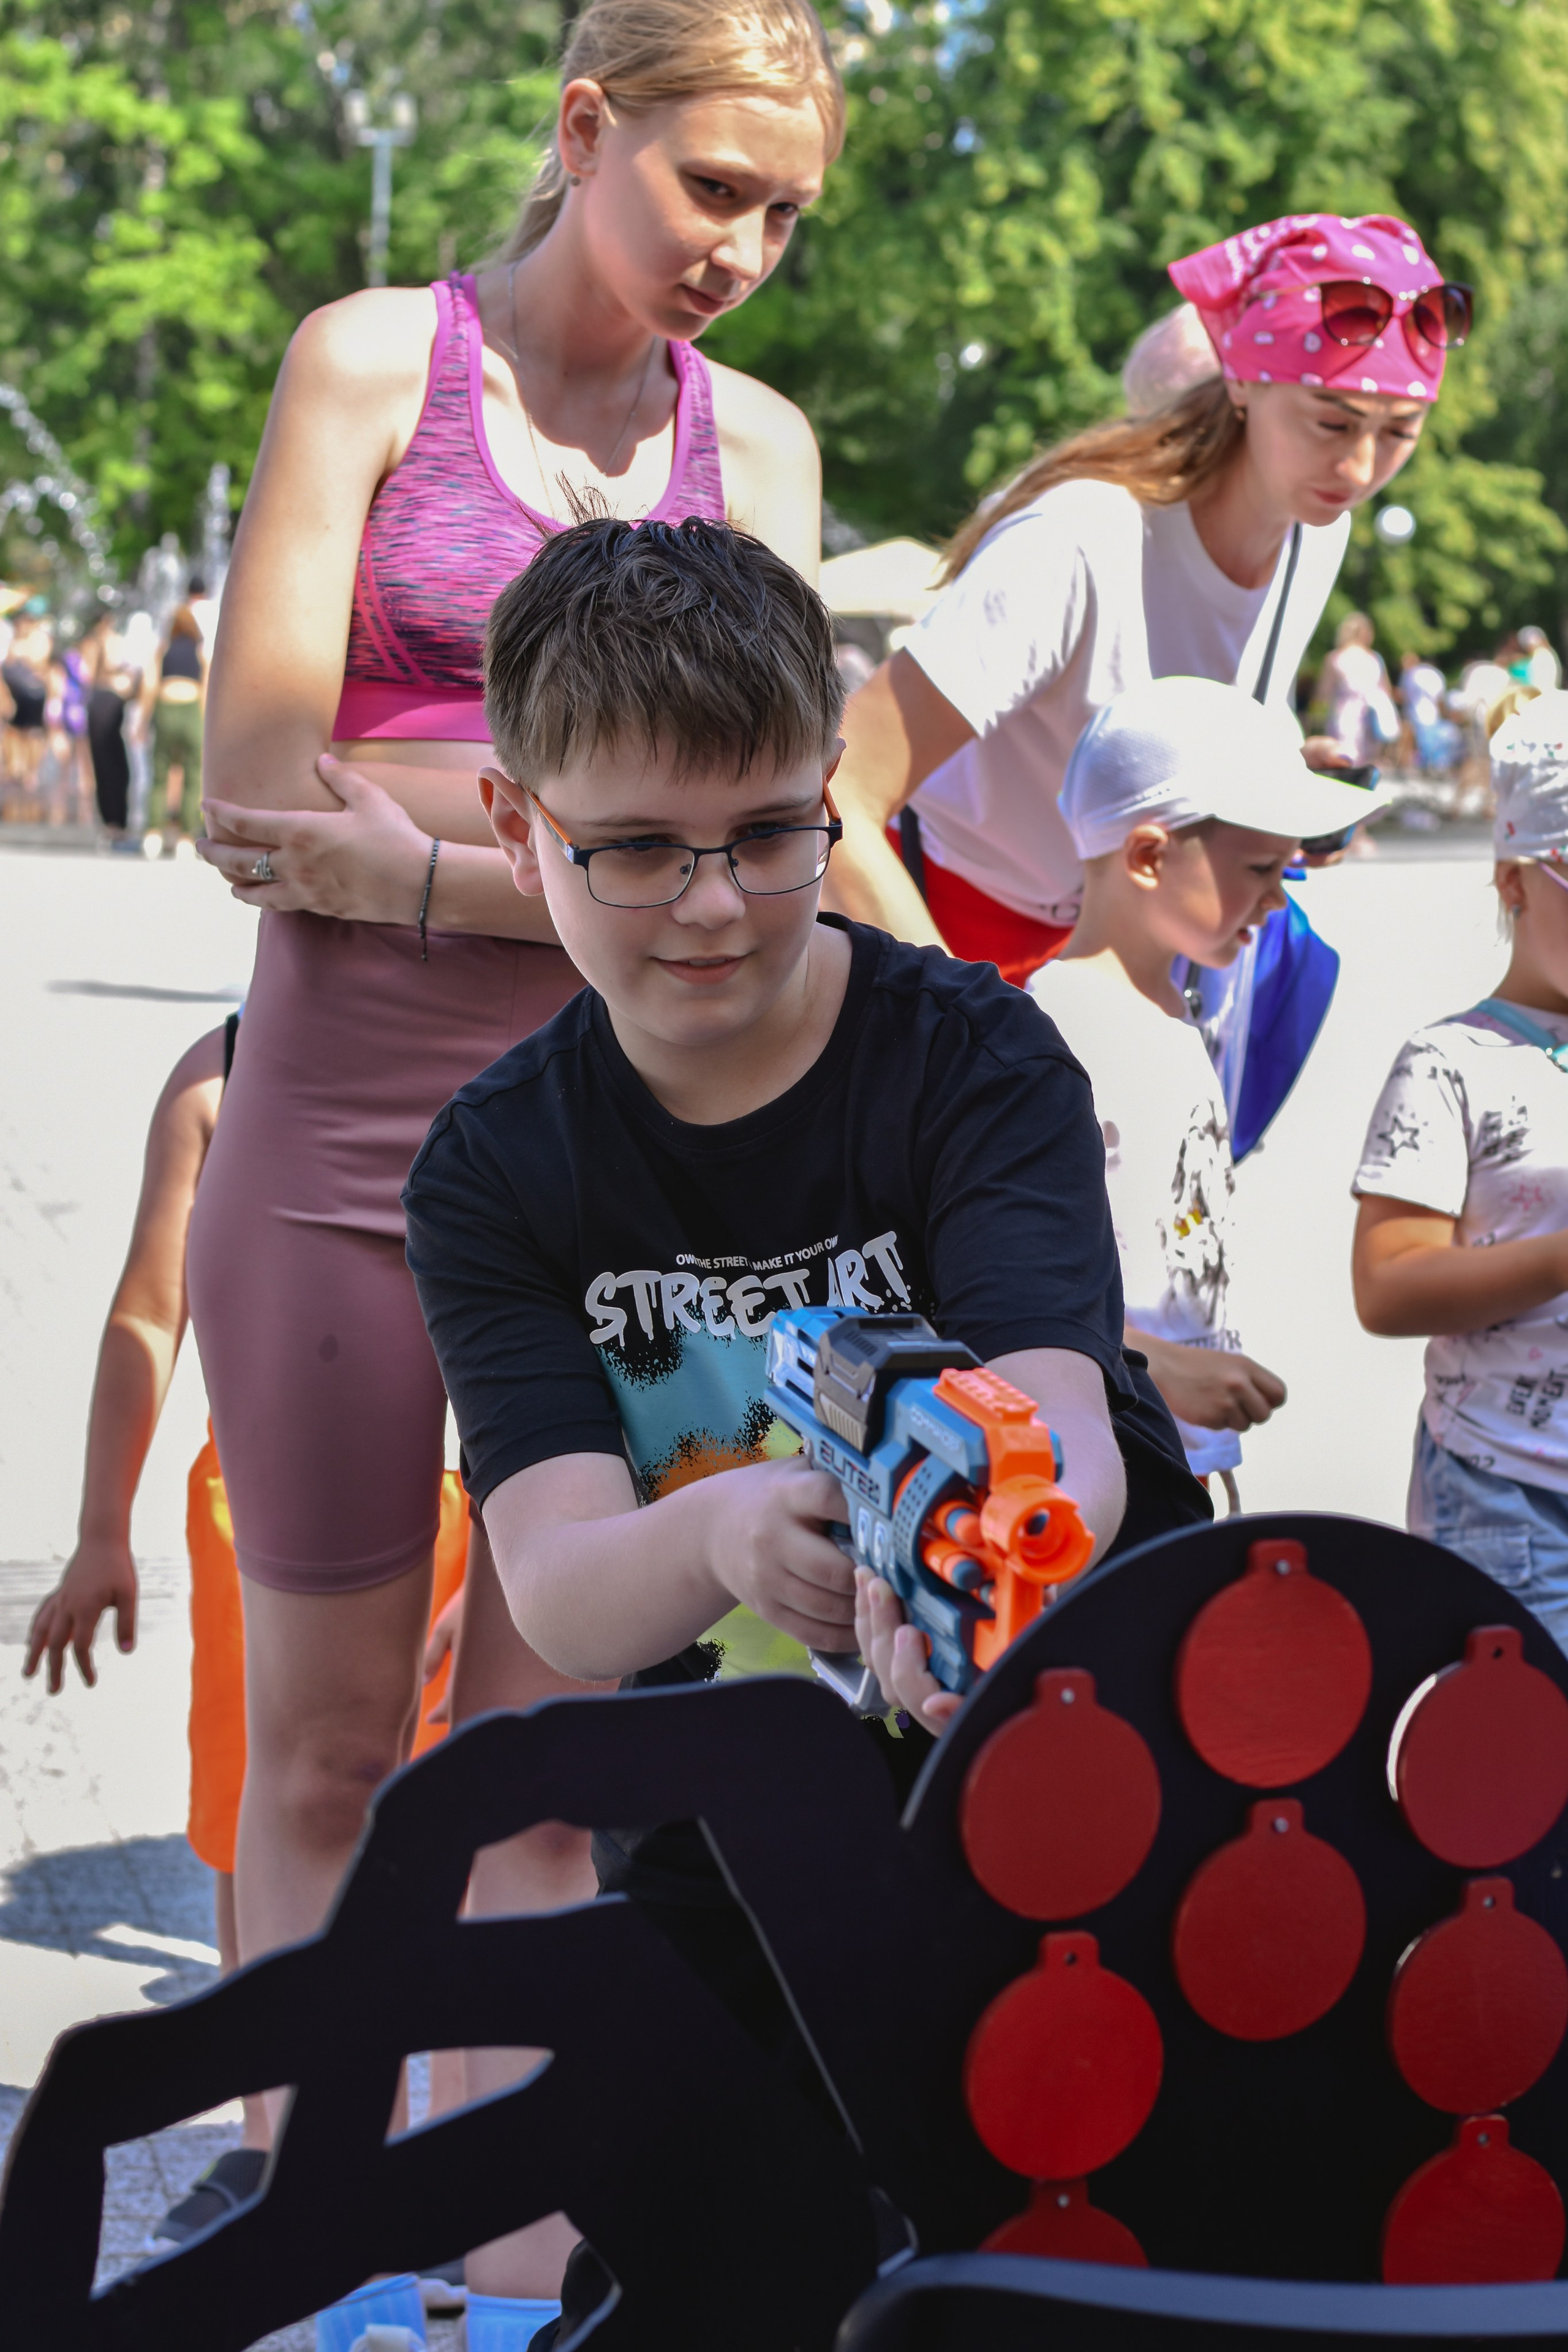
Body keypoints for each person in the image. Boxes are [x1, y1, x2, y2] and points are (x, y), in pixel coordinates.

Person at [183, 2, 844, 2328]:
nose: (744, 252)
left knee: (561, 1743)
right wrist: (603, 868)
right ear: (586, 132)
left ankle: (532, 2257)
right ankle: (324, 2227)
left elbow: (778, 860)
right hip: (341, 1135)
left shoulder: (747, 446)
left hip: (624, 1170)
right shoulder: (372, 365)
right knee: (335, 1734)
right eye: (711, 192)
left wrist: (454, 863)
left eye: (784, 215)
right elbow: (252, 806)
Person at [404, 521, 1208, 2309]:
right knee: (717, 2270)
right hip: (729, 1827)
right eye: (633, 850)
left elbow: (1059, 1420)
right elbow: (556, 1583)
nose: (712, 903)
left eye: (772, 833)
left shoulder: (969, 1059)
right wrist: (726, 1529)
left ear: (832, 791)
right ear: (513, 822)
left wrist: (979, 1580)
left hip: (1078, 1759)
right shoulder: (493, 1170)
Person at [20, 1015, 472, 2270]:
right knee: (258, 1799)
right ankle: (281, 2133)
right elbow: (150, 1312)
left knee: (462, 1820)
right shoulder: (223, 1076)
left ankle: (426, 2141)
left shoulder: (506, 1047)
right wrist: (100, 1530)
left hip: (471, 1494)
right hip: (264, 1499)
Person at [820, 214, 1463, 979]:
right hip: (952, 928)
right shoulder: (1080, 538)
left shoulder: (1315, 530)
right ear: (1241, 384)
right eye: (1332, 421)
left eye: (1400, 433)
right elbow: (838, 792)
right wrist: (954, 1020)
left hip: (1131, 948)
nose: (1359, 469)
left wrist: (1281, 773)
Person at [1025, 679, 1379, 1508]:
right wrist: (1154, 1365)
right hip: (1098, 1474)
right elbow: (997, 1279)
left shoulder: (1173, 1004)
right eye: (1259, 869)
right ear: (1148, 856)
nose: (1275, 898)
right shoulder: (1059, 1025)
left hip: (1174, 1457)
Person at [1351, 693, 1568, 1653]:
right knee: (1520, 1786)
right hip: (1509, 1501)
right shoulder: (1452, 1061)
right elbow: (1390, 1286)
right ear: (1515, 877)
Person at [142, 601, 207, 847]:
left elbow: (150, 686)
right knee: (193, 773)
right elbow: (207, 688)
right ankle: (186, 837)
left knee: (160, 773)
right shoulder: (200, 652)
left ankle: (153, 834)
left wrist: (142, 721)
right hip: (191, 709)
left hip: (166, 708)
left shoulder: (163, 649)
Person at [1319, 611, 1398, 767]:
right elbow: (1386, 691)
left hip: (1343, 716)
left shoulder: (1336, 657)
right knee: (1365, 763)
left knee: (1342, 760)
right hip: (1370, 716)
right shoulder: (1374, 659)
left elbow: (1323, 694)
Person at [1398, 649, 1458, 777]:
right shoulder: (1436, 675)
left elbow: (1404, 695)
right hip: (1431, 716)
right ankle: (1430, 771)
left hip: (1412, 715)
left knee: (1412, 745)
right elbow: (1440, 699)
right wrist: (1445, 714)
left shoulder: (1411, 673)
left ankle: (1407, 770)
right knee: (1430, 749)